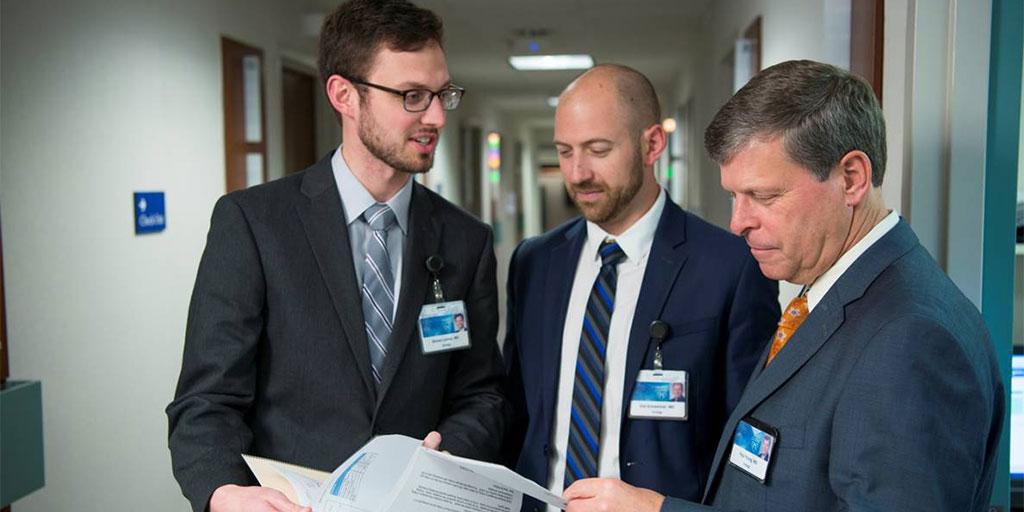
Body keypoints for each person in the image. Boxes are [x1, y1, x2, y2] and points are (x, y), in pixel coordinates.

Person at [561, 60, 1004, 512]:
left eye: (765, 196)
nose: (738, 223)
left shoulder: (910, 338)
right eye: (735, 196)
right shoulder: (823, 295)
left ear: (851, 178)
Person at [166, 1, 506, 511]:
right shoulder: (255, 224)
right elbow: (206, 399)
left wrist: (443, 457)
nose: (435, 116)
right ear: (344, 95)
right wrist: (223, 491)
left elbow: (483, 395)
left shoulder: (465, 241)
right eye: (412, 96)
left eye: (441, 95)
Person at [503, 64, 779, 512]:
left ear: (652, 144)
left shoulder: (729, 267)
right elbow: (515, 410)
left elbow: (748, 433)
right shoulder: (535, 262)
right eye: (565, 151)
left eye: (597, 150)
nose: (577, 173)